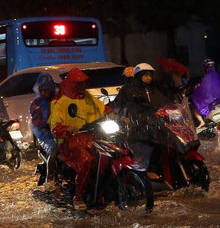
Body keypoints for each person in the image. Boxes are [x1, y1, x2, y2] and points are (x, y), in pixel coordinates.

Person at [48, 67, 111, 209]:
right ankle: (78, 195)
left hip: (91, 138)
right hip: (70, 142)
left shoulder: (88, 98)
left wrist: (112, 113)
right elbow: (54, 126)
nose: (83, 86)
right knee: (87, 160)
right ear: (72, 84)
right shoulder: (59, 103)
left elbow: (102, 108)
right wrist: (67, 129)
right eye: (79, 83)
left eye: (84, 82)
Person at [111, 62, 182, 175]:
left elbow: (165, 102)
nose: (148, 78)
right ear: (138, 76)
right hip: (138, 129)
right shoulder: (128, 91)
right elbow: (116, 106)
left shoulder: (153, 90)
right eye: (145, 75)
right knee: (143, 155)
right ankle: (144, 176)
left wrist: (175, 110)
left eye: (150, 75)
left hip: (154, 127)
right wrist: (119, 116)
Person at [30, 73, 58, 188]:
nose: (45, 92)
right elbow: (37, 122)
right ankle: (49, 180)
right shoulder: (37, 104)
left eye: (47, 89)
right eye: (43, 90)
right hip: (46, 136)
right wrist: (47, 128)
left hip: (59, 133)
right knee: (55, 150)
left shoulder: (58, 100)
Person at [190, 59, 220, 130]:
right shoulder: (217, 74)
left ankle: (202, 122)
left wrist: (196, 88)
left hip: (211, 99)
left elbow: (203, 88)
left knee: (195, 109)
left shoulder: (207, 77)